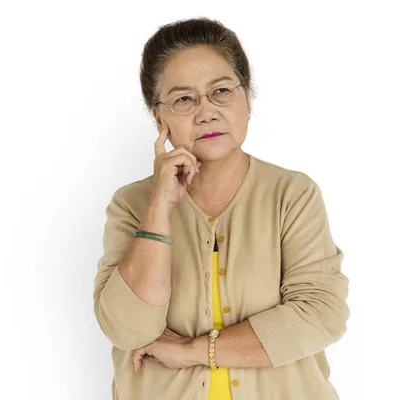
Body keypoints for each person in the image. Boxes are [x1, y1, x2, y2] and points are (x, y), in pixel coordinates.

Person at [94, 17, 350, 400]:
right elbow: (128, 329)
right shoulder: (131, 205)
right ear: (158, 117)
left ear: (247, 98)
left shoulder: (291, 194)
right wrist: (159, 209)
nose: (206, 112)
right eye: (184, 99)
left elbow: (320, 315)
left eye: (222, 91)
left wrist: (193, 351)